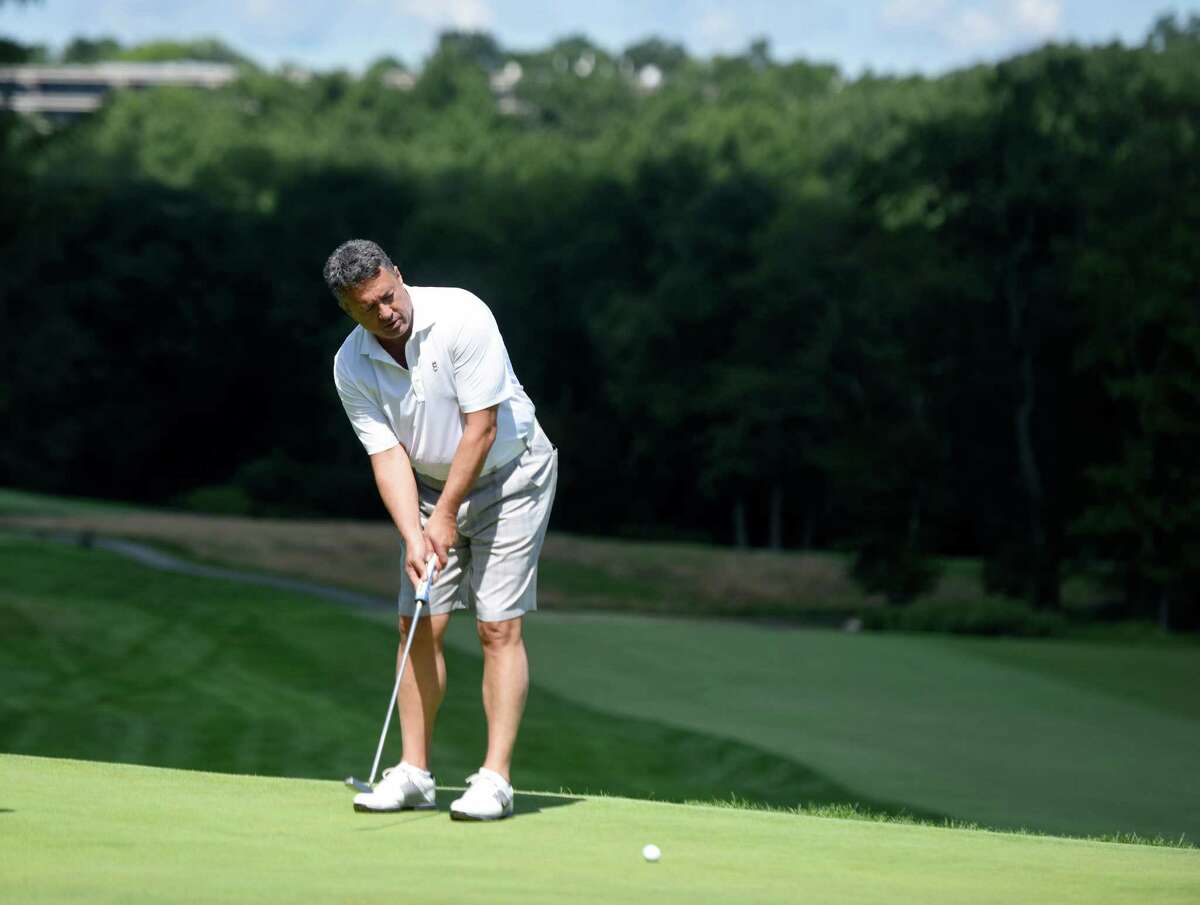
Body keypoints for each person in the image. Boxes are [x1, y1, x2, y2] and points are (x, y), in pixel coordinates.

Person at [323, 238, 558, 821]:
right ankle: (414, 773)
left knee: (496, 628)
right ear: (348, 310)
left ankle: (495, 780)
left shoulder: (463, 316)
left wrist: (446, 515)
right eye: (367, 307)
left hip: (512, 475)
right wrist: (413, 533)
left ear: (398, 276)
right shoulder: (351, 364)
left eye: (387, 295)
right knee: (416, 625)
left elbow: (481, 428)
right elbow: (386, 455)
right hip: (427, 486)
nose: (385, 312)